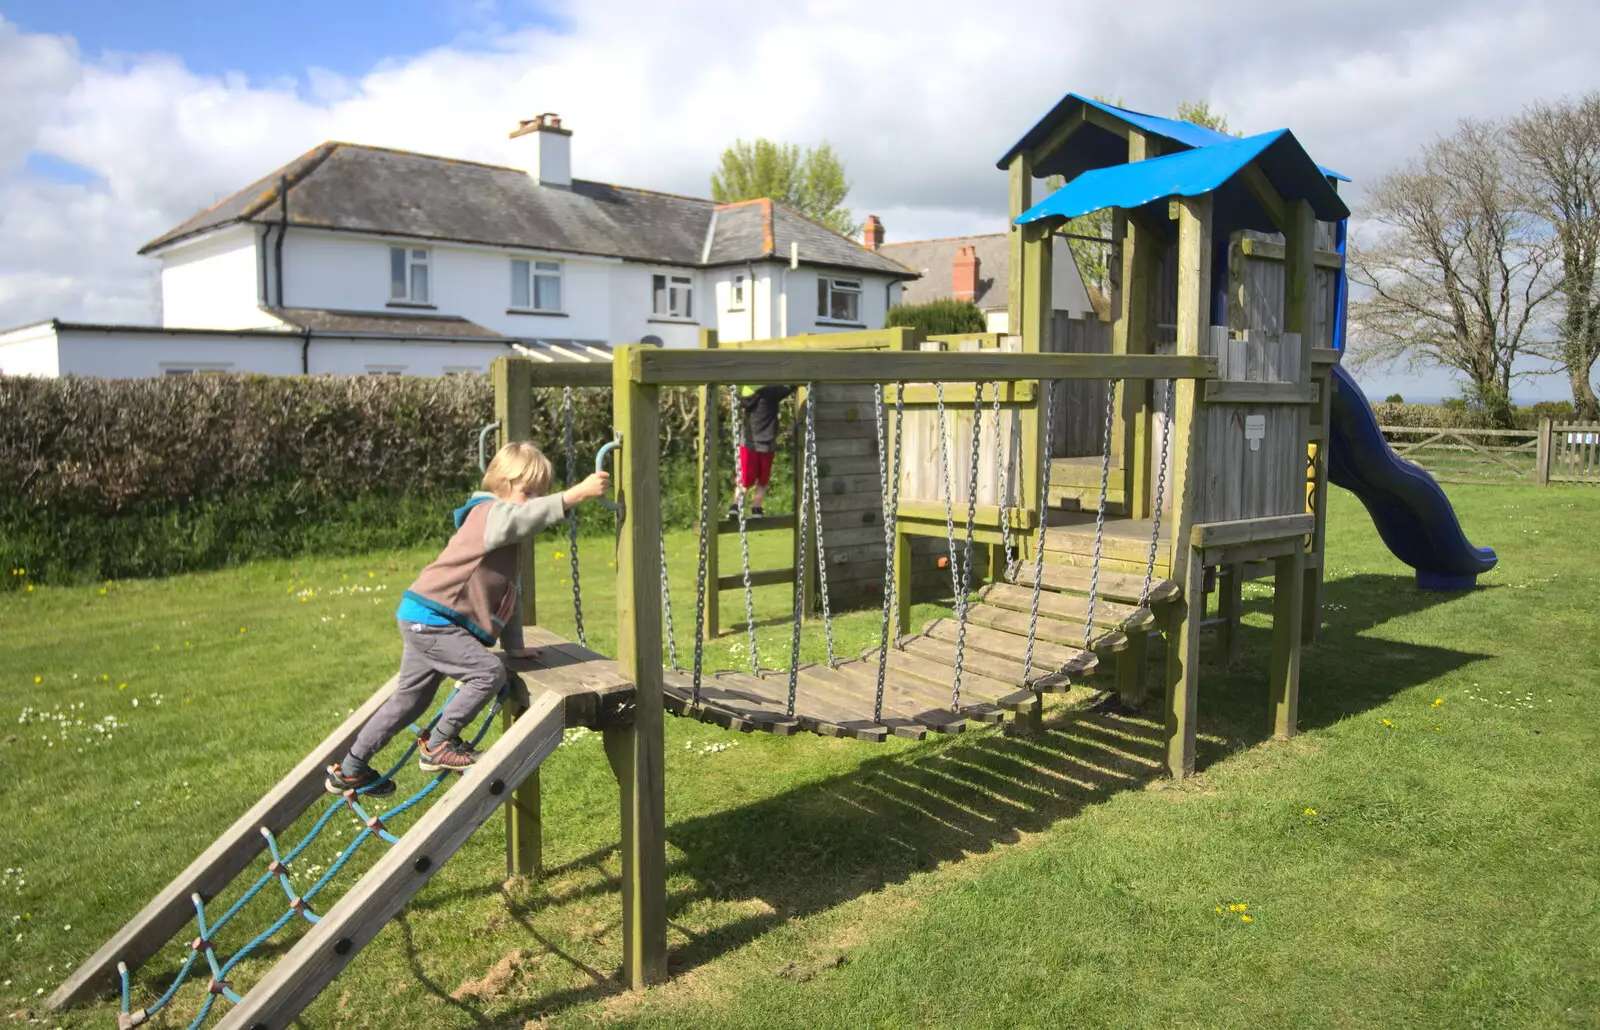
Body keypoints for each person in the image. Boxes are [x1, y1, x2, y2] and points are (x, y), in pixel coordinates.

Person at [326, 442, 610, 796]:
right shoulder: (489, 513)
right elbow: (519, 518)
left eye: (542, 494)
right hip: (433, 621)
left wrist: (515, 646)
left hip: (424, 616)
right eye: (529, 492)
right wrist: (572, 496)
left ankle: (351, 769)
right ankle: (438, 744)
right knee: (486, 673)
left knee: (409, 701)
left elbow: (508, 595)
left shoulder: (504, 535)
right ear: (500, 483)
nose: (535, 500)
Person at [731, 384, 795, 517]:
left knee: (744, 478)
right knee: (763, 479)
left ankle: (736, 504)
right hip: (766, 442)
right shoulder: (771, 391)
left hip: (749, 441)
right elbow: (789, 387)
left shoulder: (747, 390)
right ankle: (756, 506)